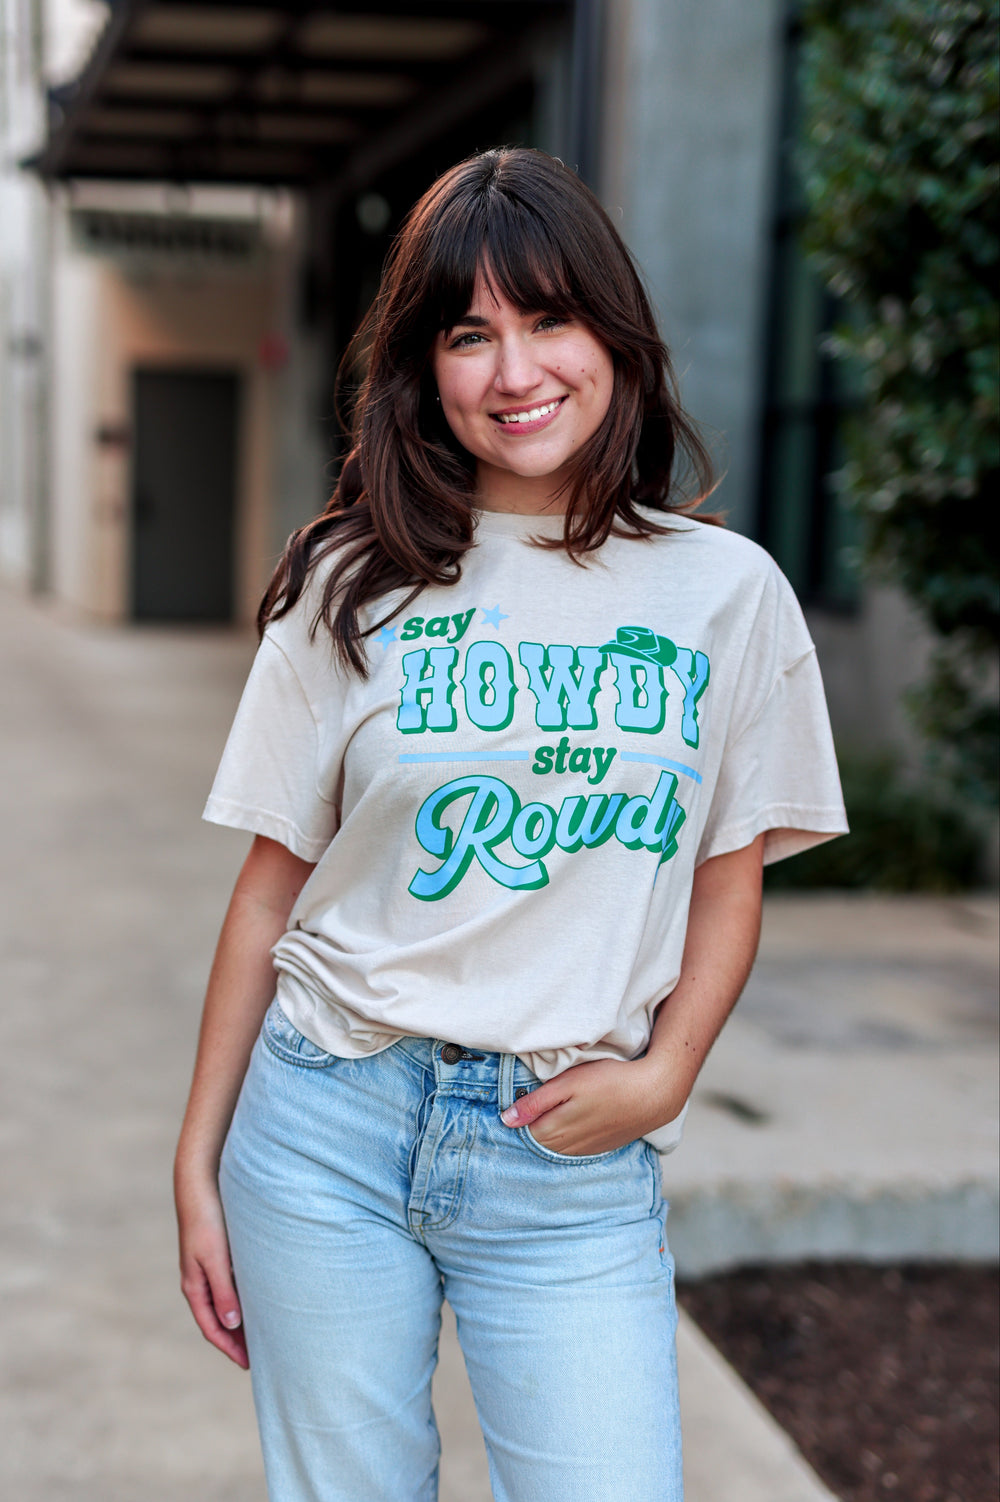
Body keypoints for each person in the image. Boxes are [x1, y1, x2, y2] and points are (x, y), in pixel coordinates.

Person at [173, 146, 847, 1502]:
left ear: (615, 333)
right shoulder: (350, 581)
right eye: (468, 333)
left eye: (548, 318)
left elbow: (728, 877)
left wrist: (667, 1074)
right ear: (425, 367)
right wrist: (196, 1156)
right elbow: (268, 891)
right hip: (324, 1125)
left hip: (568, 1153)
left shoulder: (727, 595)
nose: (513, 369)